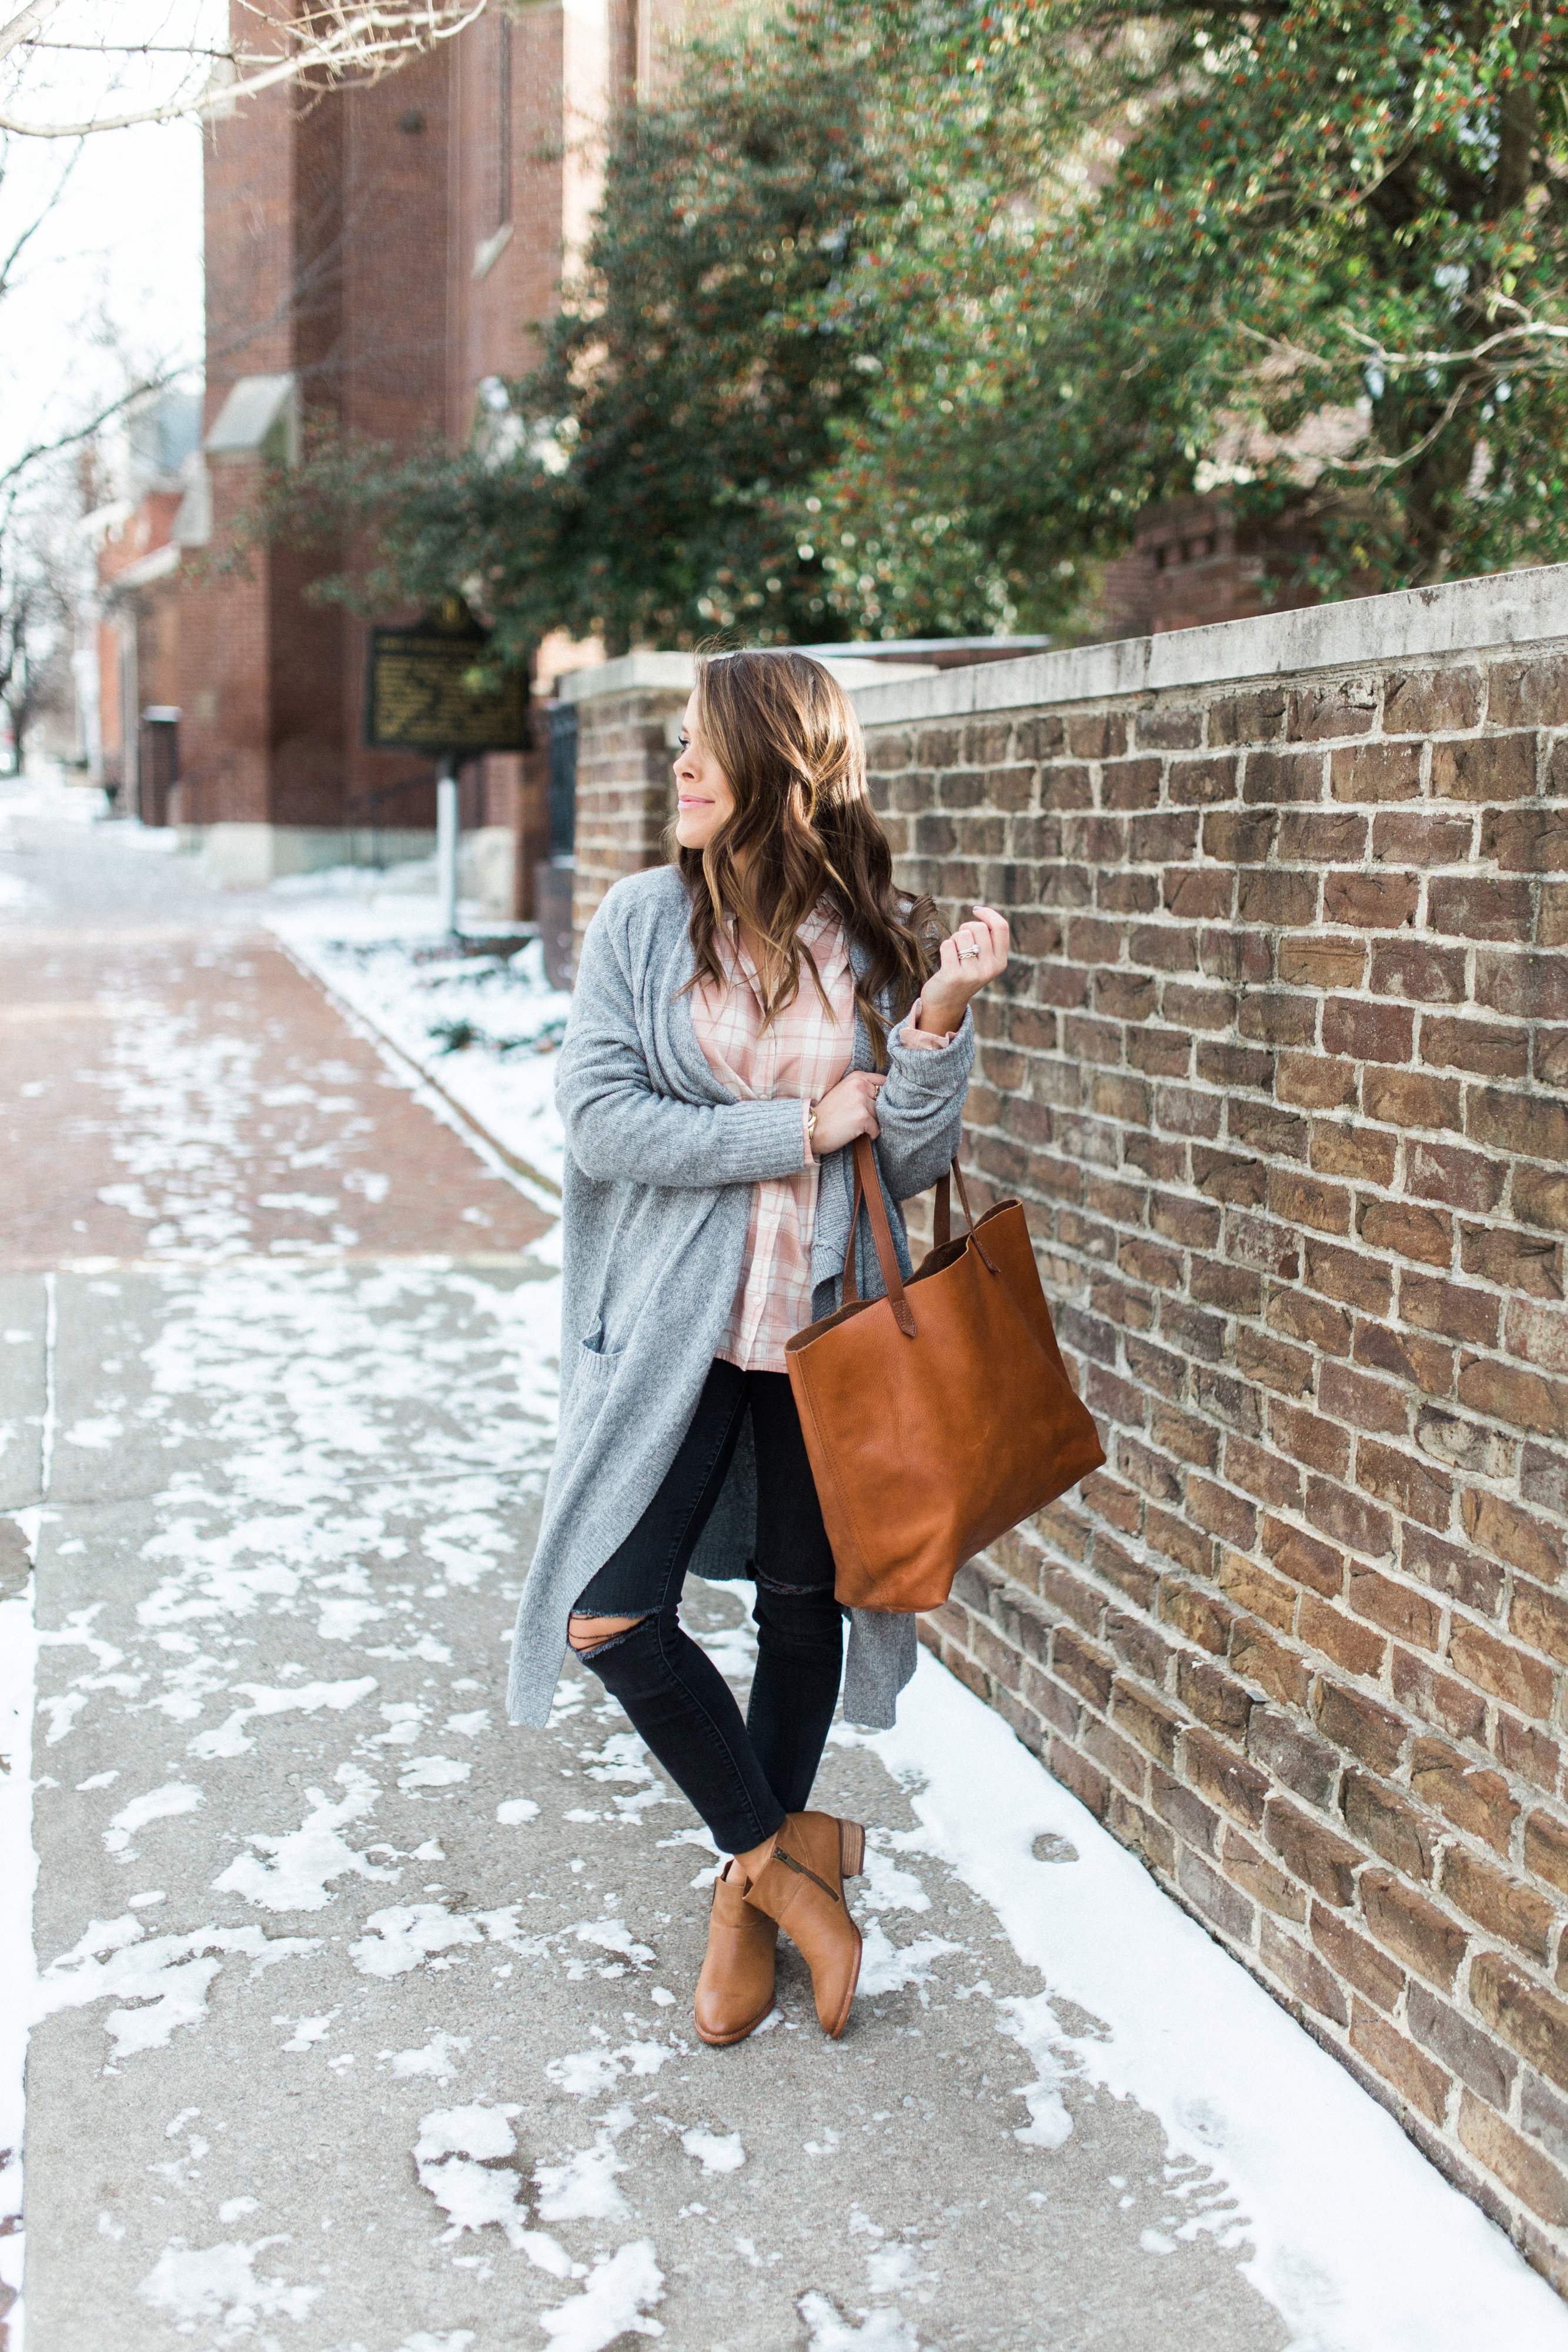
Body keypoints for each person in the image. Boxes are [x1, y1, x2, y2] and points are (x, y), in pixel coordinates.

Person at [506, 648, 1008, 2046]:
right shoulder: (640, 922)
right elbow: (602, 1119)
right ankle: (785, 1866)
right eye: (675, 742)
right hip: (676, 1332)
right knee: (610, 1608)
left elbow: (905, 1159)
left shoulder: (874, 935)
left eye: (701, 745)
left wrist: (935, 1025)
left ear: (780, 765)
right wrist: (793, 1127)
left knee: (800, 1614)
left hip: (822, 1340)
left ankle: (744, 1903)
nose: (677, 767)